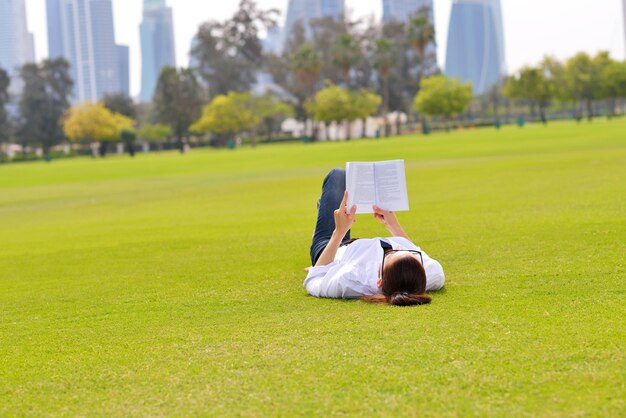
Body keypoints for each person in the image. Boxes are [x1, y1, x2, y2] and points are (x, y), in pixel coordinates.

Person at [304, 168, 445, 306]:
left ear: (379, 281)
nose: (400, 246)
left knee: (338, 175)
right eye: (411, 253)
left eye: (392, 252)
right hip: (355, 246)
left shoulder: (350, 279)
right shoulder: (433, 273)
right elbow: (407, 248)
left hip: (334, 251)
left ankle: (324, 209)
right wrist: (392, 225)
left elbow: (314, 278)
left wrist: (339, 232)